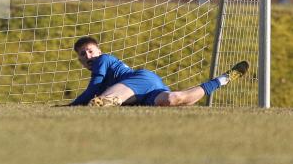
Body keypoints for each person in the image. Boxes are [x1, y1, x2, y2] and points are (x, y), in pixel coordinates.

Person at [70, 36, 249, 107]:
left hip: (139, 80)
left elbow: (93, 88)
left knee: (103, 102)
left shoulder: (103, 59)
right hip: (148, 90)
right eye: (83, 54)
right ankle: (223, 80)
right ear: (80, 60)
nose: (88, 55)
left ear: (99, 52)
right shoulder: (102, 69)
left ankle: (110, 100)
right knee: (174, 99)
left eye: (90, 50)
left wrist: (71, 106)